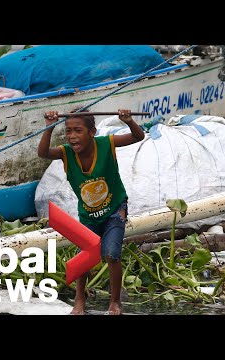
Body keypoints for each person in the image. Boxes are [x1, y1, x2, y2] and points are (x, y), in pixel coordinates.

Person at [37, 108, 145, 315]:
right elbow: (42, 153)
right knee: (85, 256)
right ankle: (80, 299)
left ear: (92, 132)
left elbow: (138, 136)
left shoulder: (107, 144)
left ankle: (115, 303)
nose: (72, 136)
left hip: (115, 209)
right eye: (68, 131)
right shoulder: (66, 153)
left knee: (112, 254)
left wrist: (129, 121)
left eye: (78, 130)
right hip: (88, 215)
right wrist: (49, 127)